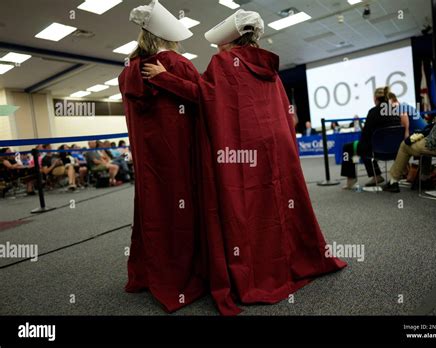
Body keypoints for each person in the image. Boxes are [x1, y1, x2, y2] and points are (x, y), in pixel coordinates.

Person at [142, 9, 346, 315]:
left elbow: (204, 96)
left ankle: (261, 271)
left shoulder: (224, 62)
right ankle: (297, 258)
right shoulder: (268, 65)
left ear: (229, 41)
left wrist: (165, 79)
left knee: (248, 208)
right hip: (276, 147)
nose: (216, 48)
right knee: (280, 202)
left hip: (243, 148)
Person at [119, 0, 205, 313]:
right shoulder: (176, 63)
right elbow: (204, 97)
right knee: (183, 213)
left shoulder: (127, 71)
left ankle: (149, 274)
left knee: (153, 213)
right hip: (180, 157)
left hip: (148, 162)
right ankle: (184, 274)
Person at [340, 87, 401, 189]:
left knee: (349, 147)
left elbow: (365, 135)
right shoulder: (395, 110)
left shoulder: (373, 112)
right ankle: (376, 175)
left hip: (378, 150)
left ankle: (352, 181)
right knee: (366, 145)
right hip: (395, 150)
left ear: (375, 98)